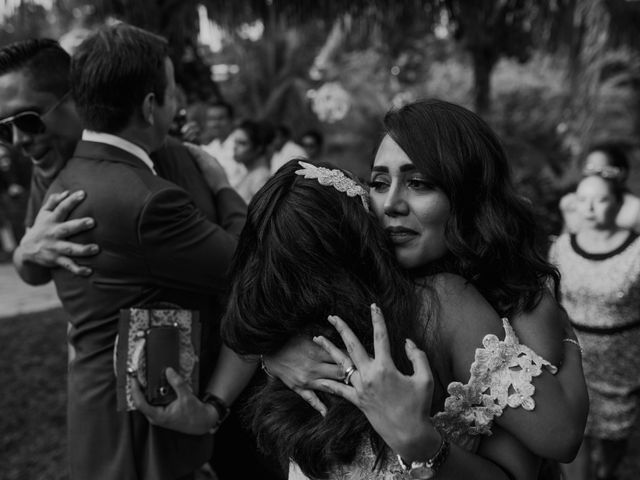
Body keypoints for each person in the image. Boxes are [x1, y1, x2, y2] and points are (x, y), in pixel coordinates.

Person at [0, 37, 281, 480]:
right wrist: (25, 252)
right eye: (3, 129)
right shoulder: (61, 171)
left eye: (29, 120)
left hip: (210, 379)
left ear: (78, 96)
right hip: (146, 407)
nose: (19, 140)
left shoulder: (163, 159)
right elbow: (247, 265)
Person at [262, 100, 589, 477]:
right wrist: (273, 355)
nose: (392, 205)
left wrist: (566, 338)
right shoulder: (351, 277)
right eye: (380, 183)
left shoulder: (509, 301)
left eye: (419, 183)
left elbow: (555, 442)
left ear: (470, 194)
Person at [549, 173, 640, 480]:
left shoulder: (637, 251)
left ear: (617, 204)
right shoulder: (562, 247)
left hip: (622, 364)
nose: (589, 208)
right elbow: (553, 302)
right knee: (575, 430)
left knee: (616, 434)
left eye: (600, 200)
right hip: (575, 356)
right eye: (582, 200)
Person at [559, 142, 640, 233]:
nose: (595, 176)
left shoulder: (634, 210)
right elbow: (564, 241)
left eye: (603, 170)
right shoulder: (571, 204)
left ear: (620, 173)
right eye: (590, 169)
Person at [200, 100, 246, 188]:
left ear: (232, 120)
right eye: (211, 119)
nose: (215, 124)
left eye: (220, 118)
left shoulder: (242, 145)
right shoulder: (208, 149)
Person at [232, 119, 273, 203]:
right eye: (235, 142)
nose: (235, 147)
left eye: (242, 143)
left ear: (258, 148)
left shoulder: (261, 178)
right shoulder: (249, 173)